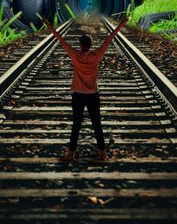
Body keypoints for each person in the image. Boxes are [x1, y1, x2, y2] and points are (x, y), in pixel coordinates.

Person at [41, 17, 129, 161]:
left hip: (78, 96)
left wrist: (49, 25)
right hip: (93, 95)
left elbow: (60, 40)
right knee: (97, 124)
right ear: (91, 45)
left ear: (80, 45)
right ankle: (103, 153)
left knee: (76, 124)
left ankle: (71, 153)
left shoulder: (75, 55)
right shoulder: (96, 56)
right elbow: (109, 39)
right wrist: (122, 24)